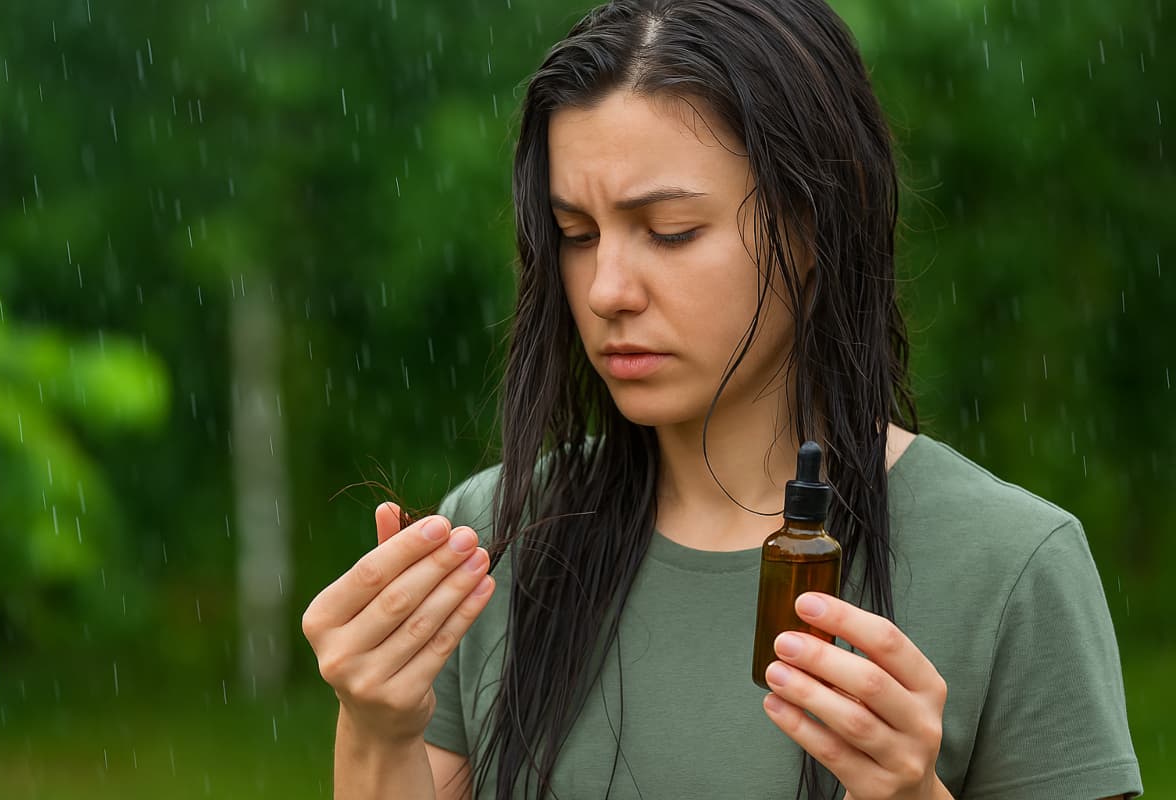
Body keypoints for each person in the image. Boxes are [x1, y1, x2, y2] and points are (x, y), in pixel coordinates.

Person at [301, 1, 1143, 798]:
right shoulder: (493, 538)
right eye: (576, 235)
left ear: (812, 224)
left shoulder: (1010, 565)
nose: (606, 290)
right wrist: (378, 728)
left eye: (670, 231)